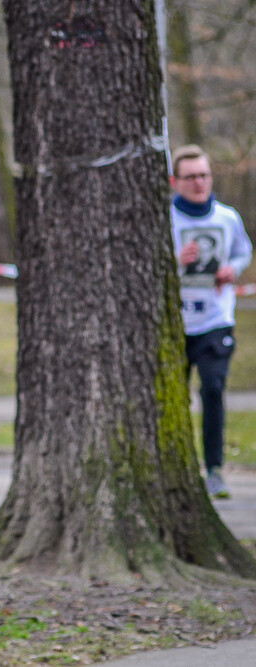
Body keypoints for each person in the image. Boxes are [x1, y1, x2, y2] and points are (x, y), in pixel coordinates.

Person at [169, 144, 253, 499]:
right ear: (175, 182)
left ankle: (214, 469)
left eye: (204, 175)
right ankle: (175, 468)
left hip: (215, 319)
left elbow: (243, 251)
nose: (198, 182)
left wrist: (231, 269)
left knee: (213, 390)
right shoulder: (164, 220)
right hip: (173, 321)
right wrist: (175, 260)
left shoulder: (227, 217)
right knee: (171, 398)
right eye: (190, 177)